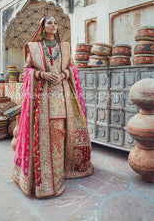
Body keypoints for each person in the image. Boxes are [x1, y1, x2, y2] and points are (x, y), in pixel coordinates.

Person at [12, 16, 94, 199]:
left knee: (62, 135)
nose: (54, 26)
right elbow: (26, 71)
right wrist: (42, 74)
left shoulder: (64, 47)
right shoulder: (33, 48)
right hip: (42, 102)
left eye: (55, 23)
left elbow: (72, 67)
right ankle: (49, 182)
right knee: (48, 138)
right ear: (42, 27)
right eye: (50, 23)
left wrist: (64, 75)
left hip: (64, 99)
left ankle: (62, 174)